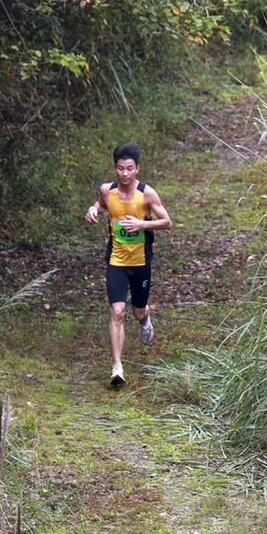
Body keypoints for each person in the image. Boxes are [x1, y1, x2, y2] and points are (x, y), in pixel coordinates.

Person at [85, 144, 172, 388]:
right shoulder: (107, 191)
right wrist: (93, 210)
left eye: (129, 169)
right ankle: (117, 367)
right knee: (118, 312)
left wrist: (142, 225)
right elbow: (101, 205)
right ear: (115, 169)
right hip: (116, 260)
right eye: (120, 169)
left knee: (138, 310)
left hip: (141, 261)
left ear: (137, 169)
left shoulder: (147, 194)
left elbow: (167, 222)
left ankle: (145, 321)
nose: (124, 174)